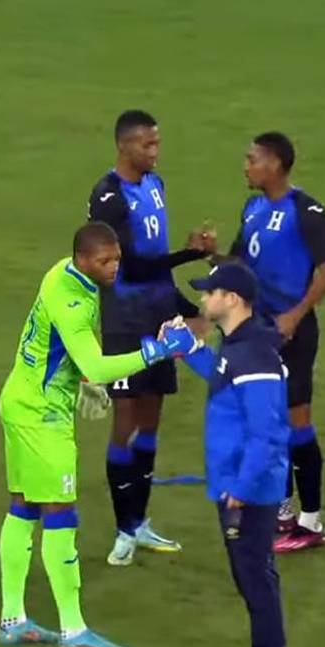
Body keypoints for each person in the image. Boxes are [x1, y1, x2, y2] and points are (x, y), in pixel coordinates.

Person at [0, 222, 186, 647]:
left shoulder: (62, 271)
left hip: (21, 401)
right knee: (60, 514)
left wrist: (82, 377)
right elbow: (98, 364)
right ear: (83, 259)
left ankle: (13, 619)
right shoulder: (74, 299)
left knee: (23, 507)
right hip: (42, 416)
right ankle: (74, 632)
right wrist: (158, 350)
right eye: (105, 261)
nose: (114, 267)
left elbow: (66, 348)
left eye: (116, 258)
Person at [86, 109, 214, 566]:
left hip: (159, 316)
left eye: (158, 144)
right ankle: (122, 530)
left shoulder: (154, 187)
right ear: (125, 146)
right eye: (148, 145)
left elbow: (155, 265)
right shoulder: (108, 197)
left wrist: (185, 307)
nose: (155, 152)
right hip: (125, 321)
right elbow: (132, 266)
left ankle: (139, 522)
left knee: (151, 420)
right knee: (124, 423)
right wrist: (190, 253)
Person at [226, 132, 325, 552]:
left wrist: (295, 314)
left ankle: (311, 522)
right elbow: (240, 263)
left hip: (292, 332)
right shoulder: (253, 207)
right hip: (259, 332)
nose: (246, 165)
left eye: (252, 158)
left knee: (297, 423)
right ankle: (285, 511)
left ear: (274, 164)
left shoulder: (305, 210)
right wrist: (211, 257)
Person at [174, 263, 290, 647]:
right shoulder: (239, 344)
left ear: (232, 299)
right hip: (238, 482)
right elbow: (223, 376)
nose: (203, 298)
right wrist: (187, 348)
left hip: (249, 490)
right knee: (254, 579)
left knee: (256, 584)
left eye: (210, 292)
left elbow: (267, 433)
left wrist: (241, 488)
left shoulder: (254, 355)